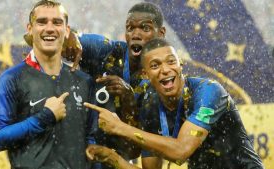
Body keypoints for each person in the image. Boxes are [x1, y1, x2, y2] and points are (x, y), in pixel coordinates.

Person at [83, 38, 265, 169]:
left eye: (171, 62)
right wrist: (111, 157)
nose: (165, 70)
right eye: (155, 66)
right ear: (145, 74)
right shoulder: (150, 105)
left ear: (180, 66)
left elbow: (180, 151)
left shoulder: (209, 91)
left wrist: (120, 127)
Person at [25, 2, 166, 163]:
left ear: (161, 34)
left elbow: (133, 152)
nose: (136, 34)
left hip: (113, 161)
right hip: (72, 151)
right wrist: (71, 38)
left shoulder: (162, 87)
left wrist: (129, 102)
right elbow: (69, 40)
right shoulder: (107, 51)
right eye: (130, 28)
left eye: (145, 28)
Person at [0, 1, 95, 168]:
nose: (50, 28)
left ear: (67, 30)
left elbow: (92, 141)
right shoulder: (11, 79)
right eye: (42, 22)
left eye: (57, 22)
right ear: (30, 29)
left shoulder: (84, 81)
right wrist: (45, 117)